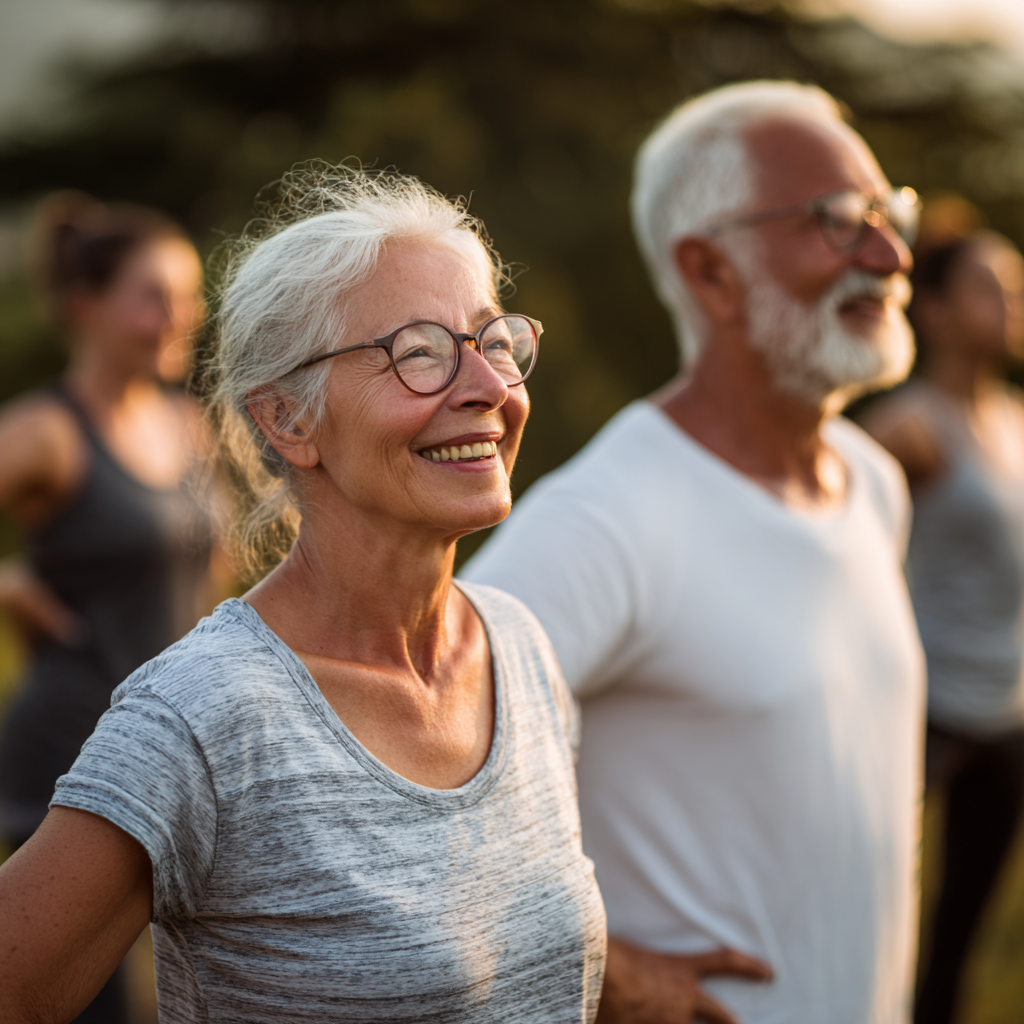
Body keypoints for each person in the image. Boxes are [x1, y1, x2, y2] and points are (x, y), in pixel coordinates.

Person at [0, 167, 606, 1024]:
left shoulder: (520, 648)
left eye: (494, 341)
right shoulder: (203, 720)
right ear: (288, 421)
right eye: (420, 352)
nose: (490, 389)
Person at [463, 80, 926, 1023]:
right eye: (836, 222)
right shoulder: (607, 518)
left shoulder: (874, 482)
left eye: (888, 213)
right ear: (711, 272)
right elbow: (400, 792)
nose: (889, 254)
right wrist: (608, 972)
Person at [0, 194, 214, 1023]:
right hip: (73, 757)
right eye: (154, 295)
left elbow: (210, 583)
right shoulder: (47, 432)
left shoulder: (193, 427)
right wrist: (7, 582)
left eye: (188, 295)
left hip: (181, 755)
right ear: (85, 306)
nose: (179, 317)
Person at [863, 224, 1024, 1024]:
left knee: (959, 933)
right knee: (875, 909)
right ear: (934, 309)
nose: (1014, 303)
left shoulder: (1020, 421)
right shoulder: (909, 428)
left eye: (1017, 288)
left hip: (1008, 715)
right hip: (924, 709)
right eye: (992, 288)